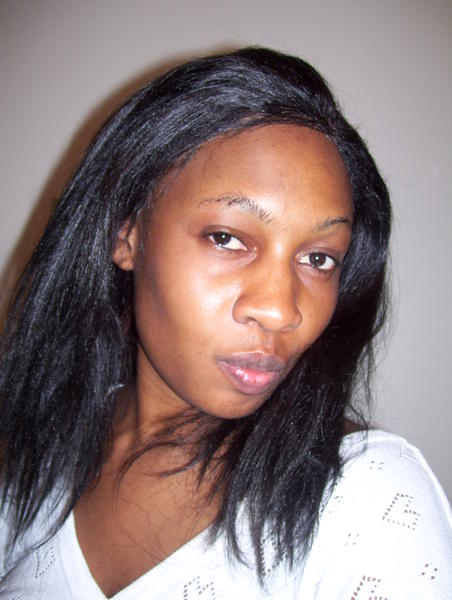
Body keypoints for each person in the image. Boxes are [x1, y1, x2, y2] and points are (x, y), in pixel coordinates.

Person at [0, 47, 451, 599]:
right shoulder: (44, 454)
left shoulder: (369, 499)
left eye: (318, 258)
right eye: (227, 238)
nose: (282, 310)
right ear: (127, 233)